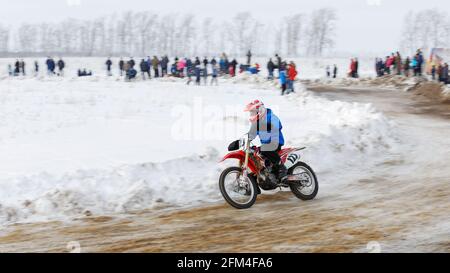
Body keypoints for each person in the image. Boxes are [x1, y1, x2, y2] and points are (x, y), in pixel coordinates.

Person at [245, 100, 287, 182]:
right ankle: (266, 172)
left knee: (265, 149)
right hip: (266, 145)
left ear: (259, 110)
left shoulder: (271, 116)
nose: (251, 114)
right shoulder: (256, 123)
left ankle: (281, 167)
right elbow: (251, 134)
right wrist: (242, 140)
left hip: (276, 143)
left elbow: (278, 125)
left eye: (253, 112)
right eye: (251, 113)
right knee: (255, 153)